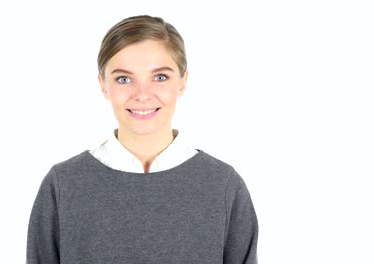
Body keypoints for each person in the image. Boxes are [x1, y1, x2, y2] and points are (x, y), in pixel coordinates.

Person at [26, 15, 258, 264]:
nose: (142, 95)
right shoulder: (63, 185)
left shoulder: (223, 185)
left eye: (160, 77)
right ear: (103, 86)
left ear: (183, 82)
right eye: (124, 79)